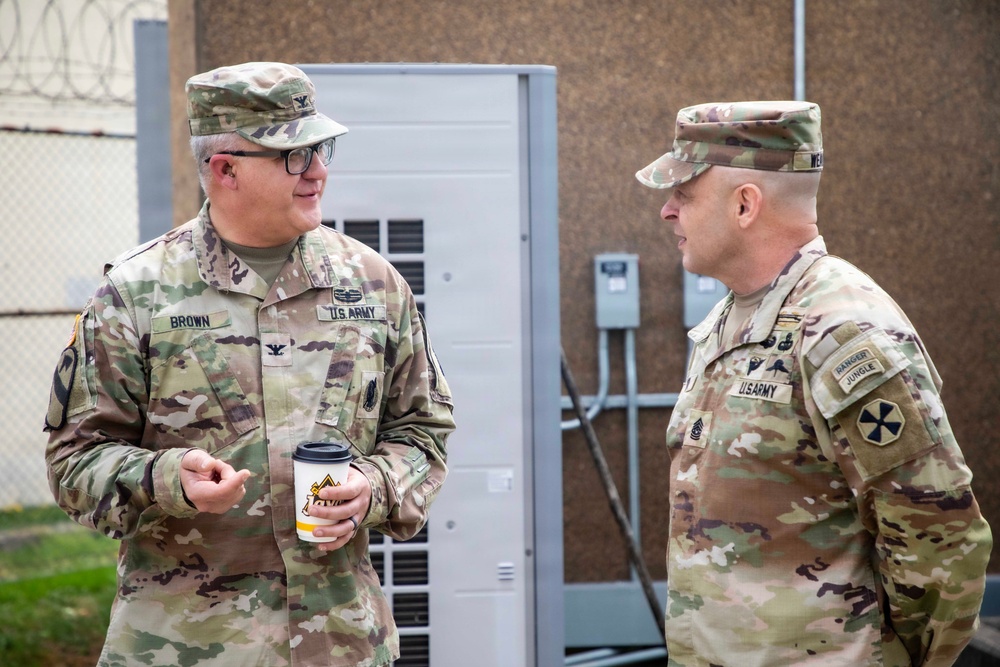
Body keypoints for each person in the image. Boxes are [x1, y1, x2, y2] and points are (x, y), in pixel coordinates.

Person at [44, 61, 455, 666]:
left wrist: (373, 486)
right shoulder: (136, 294)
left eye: (321, 149)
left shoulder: (373, 285)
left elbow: (424, 433)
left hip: (340, 645)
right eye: (292, 155)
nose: (316, 171)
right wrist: (166, 478)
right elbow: (73, 460)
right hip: (186, 648)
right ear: (225, 168)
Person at [635, 101, 991, 666]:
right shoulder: (734, 321)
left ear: (745, 204)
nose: (667, 211)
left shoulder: (840, 331)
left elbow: (939, 543)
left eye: (685, 193)